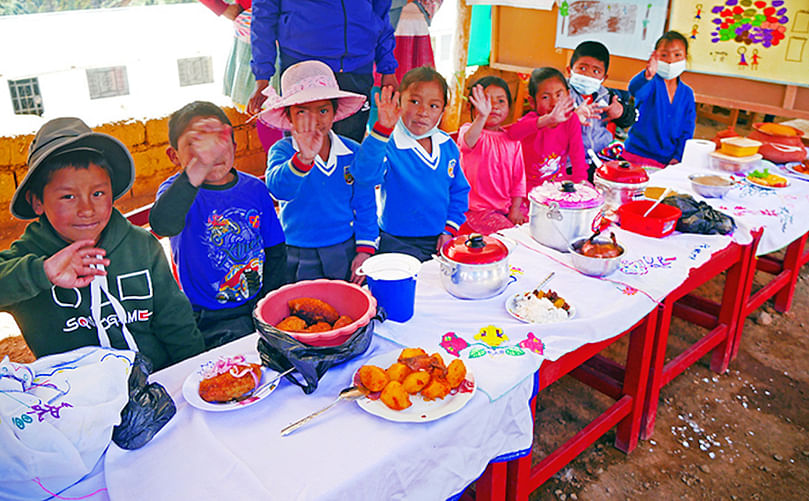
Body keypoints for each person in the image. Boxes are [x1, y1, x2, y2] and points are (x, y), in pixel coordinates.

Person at [0, 118, 204, 370]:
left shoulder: (142, 246)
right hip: (78, 398)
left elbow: (176, 321)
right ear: (37, 202)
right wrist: (42, 272)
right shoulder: (27, 258)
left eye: (98, 193)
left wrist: (195, 369)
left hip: (157, 382)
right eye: (68, 196)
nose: (87, 209)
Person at [149, 101, 286, 349]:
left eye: (218, 142)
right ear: (174, 155)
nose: (210, 153)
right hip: (205, 315)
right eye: (197, 145)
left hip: (256, 305)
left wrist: (269, 305)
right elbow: (162, 223)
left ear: (234, 146)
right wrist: (197, 169)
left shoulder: (254, 189)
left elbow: (275, 250)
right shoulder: (176, 191)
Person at [261, 60, 398, 282]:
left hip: (344, 249)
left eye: (323, 110)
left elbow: (365, 201)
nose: (314, 120)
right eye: (302, 111)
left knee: (344, 309)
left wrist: (365, 249)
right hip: (296, 251)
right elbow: (279, 190)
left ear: (335, 113)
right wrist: (303, 159)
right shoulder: (283, 151)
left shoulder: (352, 150)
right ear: (289, 117)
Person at [355, 66, 471, 262]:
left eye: (433, 106)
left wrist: (449, 229)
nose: (423, 112)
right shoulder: (387, 143)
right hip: (396, 241)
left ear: (443, 110)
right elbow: (364, 175)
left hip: (439, 239)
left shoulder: (447, 145)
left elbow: (459, 191)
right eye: (414, 101)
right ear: (399, 102)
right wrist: (381, 130)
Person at [247, 0, 399, 143]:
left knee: (349, 149)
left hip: (357, 68)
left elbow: (381, 14)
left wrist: (388, 70)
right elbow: (263, 17)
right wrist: (262, 77)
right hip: (305, 71)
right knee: (304, 147)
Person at [457, 76, 526, 234]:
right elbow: (468, 140)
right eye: (486, 100)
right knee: (513, 237)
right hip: (477, 211)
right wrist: (482, 116)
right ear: (471, 107)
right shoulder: (469, 131)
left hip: (506, 207)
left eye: (501, 101)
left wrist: (515, 210)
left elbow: (518, 180)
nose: (494, 106)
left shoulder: (512, 140)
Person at [506, 67, 588, 195]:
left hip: (558, 185)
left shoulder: (571, 120)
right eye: (545, 97)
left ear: (568, 95)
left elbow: (578, 158)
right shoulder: (531, 122)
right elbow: (512, 133)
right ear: (532, 102)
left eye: (559, 95)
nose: (554, 103)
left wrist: (580, 186)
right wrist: (547, 120)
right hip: (526, 188)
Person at [623, 31, 696, 167]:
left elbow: (688, 128)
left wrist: (678, 156)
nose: (670, 60)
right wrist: (647, 75)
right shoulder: (650, 82)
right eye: (664, 55)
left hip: (668, 160)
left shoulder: (687, 93)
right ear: (655, 56)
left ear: (686, 57)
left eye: (677, 55)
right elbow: (635, 89)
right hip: (637, 154)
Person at [566, 41, 636, 177]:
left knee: (628, 179)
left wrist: (620, 111)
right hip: (571, 161)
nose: (588, 75)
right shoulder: (561, 93)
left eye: (596, 71)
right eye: (582, 68)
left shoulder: (607, 96)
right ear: (570, 70)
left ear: (604, 78)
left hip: (603, 157)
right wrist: (573, 116)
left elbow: (631, 117)